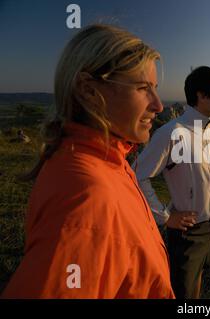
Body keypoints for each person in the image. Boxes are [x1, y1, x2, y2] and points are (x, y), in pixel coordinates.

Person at [1, 24, 174, 299]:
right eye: (143, 88)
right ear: (89, 90)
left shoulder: (104, 162)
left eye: (154, 88)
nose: (158, 105)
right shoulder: (88, 195)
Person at [133, 66, 210, 298]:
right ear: (201, 95)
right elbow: (137, 176)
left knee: (197, 276)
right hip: (186, 232)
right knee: (182, 292)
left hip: (209, 225)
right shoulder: (172, 133)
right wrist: (166, 217)